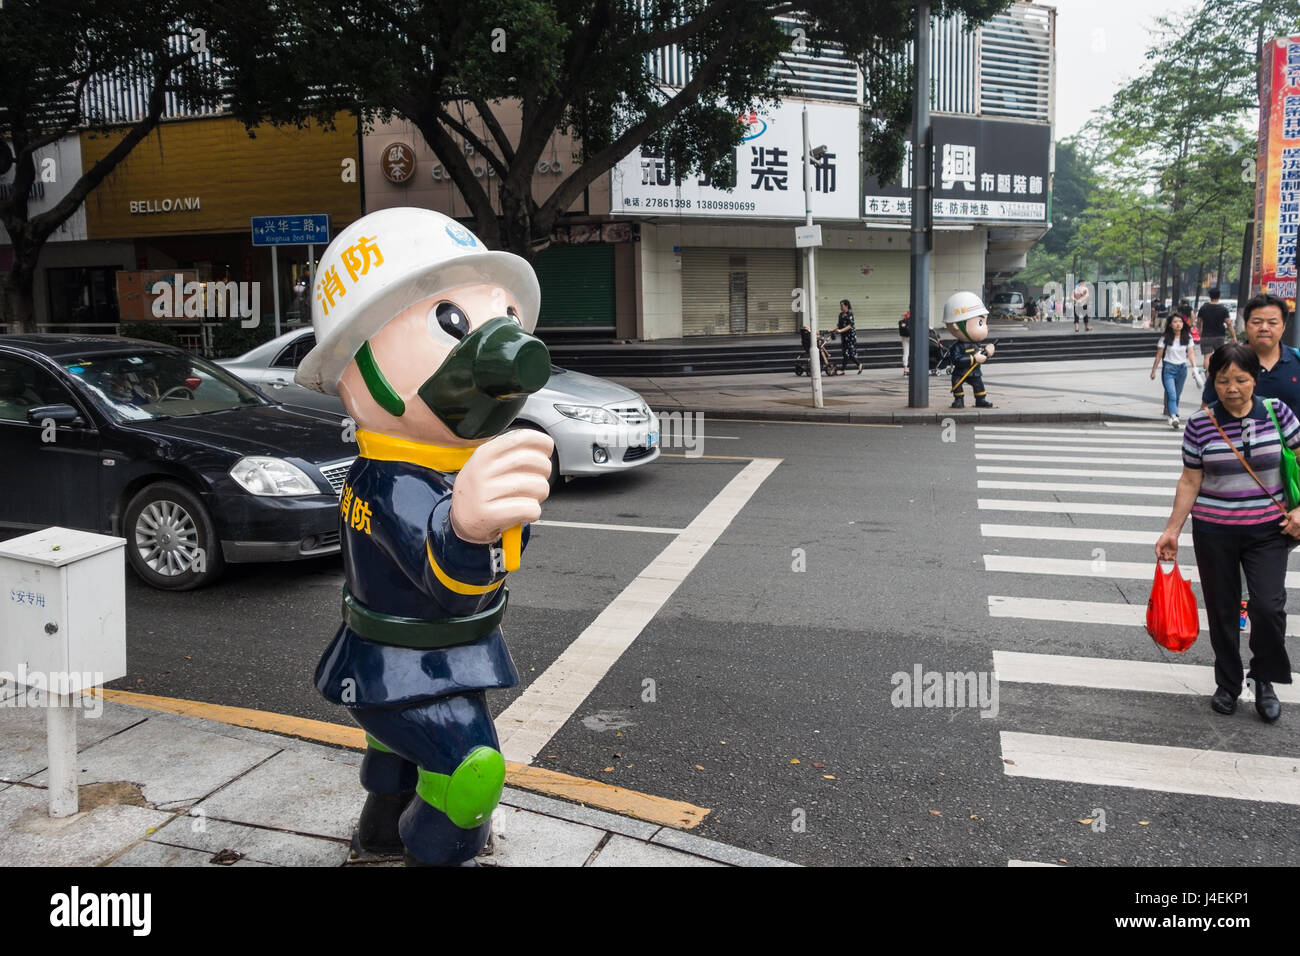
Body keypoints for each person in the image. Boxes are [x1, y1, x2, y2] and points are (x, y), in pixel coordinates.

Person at [1156, 342, 1300, 722]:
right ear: (1213, 381)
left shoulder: (1277, 412)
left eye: (1241, 379)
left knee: (1268, 607)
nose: (1232, 388)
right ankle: (1228, 683)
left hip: (1269, 530)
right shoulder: (1201, 423)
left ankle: (1265, 678)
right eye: (1223, 380)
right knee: (1222, 611)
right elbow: (1190, 480)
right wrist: (1172, 530)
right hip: (1215, 531)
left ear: (1255, 378)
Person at [1200, 293, 1300, 420]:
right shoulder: (1226, 361)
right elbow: (1206, 411)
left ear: (1283, 326)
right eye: (1257, 322)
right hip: (1233, 438)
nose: (1264, 328)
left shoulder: (1297, 361)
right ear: (1246, 325)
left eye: (1272, 323)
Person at [943, 291, 996, 408]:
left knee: (979, 385)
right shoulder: (957, 347)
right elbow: (957, 359)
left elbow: (982, 353)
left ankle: (981, 399)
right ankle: (959, 399)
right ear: (956, 325)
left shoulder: (976, 345)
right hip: (960, 372)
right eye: (980, 323)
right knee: (956, 383)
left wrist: (988, 352)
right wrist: (973, 358)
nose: (985, 328)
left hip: (975, 372)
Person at [1151, 311, 1198, 428]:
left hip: (1182, 369)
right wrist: (1153, 371)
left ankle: (1173, 415)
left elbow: (1191, 353)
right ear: (1170, 324)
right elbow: (1158, 356)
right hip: (1168, 369)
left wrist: (1194, 367)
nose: (1178, 324)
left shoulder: (1187, 337)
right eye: (1175, 322)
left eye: (1180, 321)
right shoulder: (1165, 338)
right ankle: (1173, 416)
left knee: (1177, 395)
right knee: (1172, 395)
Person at [1197, 288, 1234, 371]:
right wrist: (1234, 336)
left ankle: (1208, 376)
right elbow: (1229, 323)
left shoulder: (1203, 308)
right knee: (1219, 356)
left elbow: (1199, 321)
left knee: (1207, 357)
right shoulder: (1223, 309)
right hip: (1219, 336)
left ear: (1209, 296)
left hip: (1206, 335)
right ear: (1219, 296)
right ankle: (1217, 374)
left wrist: (1200, 330)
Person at [832, 299, 862, 374]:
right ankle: (859, 364)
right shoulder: (840, 314)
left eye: (842, 306)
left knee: (849, 353)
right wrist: (832, 329)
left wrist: (840, 331)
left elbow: (850, 325)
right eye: (840, 306)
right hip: (844, 336)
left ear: (846, 306)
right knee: (846, 353)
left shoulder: (850, 314)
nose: (841, 307)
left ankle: (843, 370)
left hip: (850, 336)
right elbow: (839, 324)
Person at [898, 308, 911, 376]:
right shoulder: (912, 318)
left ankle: (905, 369)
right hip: (911, 337)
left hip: (904, 337)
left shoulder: (903, 320)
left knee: (906, 353)